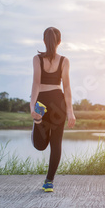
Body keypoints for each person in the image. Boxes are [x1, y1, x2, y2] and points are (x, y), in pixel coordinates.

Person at [30, 27, 76, 192]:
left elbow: (36, 83)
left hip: (41, 102)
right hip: (58, 102)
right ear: (59, 42)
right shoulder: (64, 60)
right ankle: (49, 182)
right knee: (56, 143)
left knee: (40, 145)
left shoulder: (37, 59)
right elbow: (67, 87)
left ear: (44, 41)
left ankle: (37, 121)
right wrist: (70, 111)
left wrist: (32, 105)